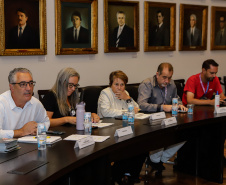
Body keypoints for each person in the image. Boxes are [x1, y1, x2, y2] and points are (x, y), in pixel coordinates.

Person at [137, 63, 187, 175]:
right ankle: (155, 160)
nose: (167, 81)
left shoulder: (172, 84)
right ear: (157, 74)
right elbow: (141, 105)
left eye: (169, 77)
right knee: (161, 135)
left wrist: (180, 104)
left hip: (168, 118)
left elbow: (176, 98)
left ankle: (160, 159)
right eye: (164, 77)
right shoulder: (147, 84)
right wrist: (162, 107)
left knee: (184, 134)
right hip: (149, 120)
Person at [97, 70, 146, 184]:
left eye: (122, 84)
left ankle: (131, 175)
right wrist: (127, 111)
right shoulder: (105, 93)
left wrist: (128, 99)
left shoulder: (125, 93)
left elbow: (137, 108)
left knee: (141, 146)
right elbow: (106, 112)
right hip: (107, 130)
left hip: (123, 128)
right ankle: (115, 175)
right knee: (125, 148)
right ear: (111, 84)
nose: (119, 88)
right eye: (116, 84)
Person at [0, 68, 50, 138]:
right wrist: (21, 132)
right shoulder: (1, 103)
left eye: (31, 83)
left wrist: (37, 129)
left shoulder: (35, 103)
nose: (29, 88)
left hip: (28, 146)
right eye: (23, 84)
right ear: (12, 87)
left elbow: (46, 122)